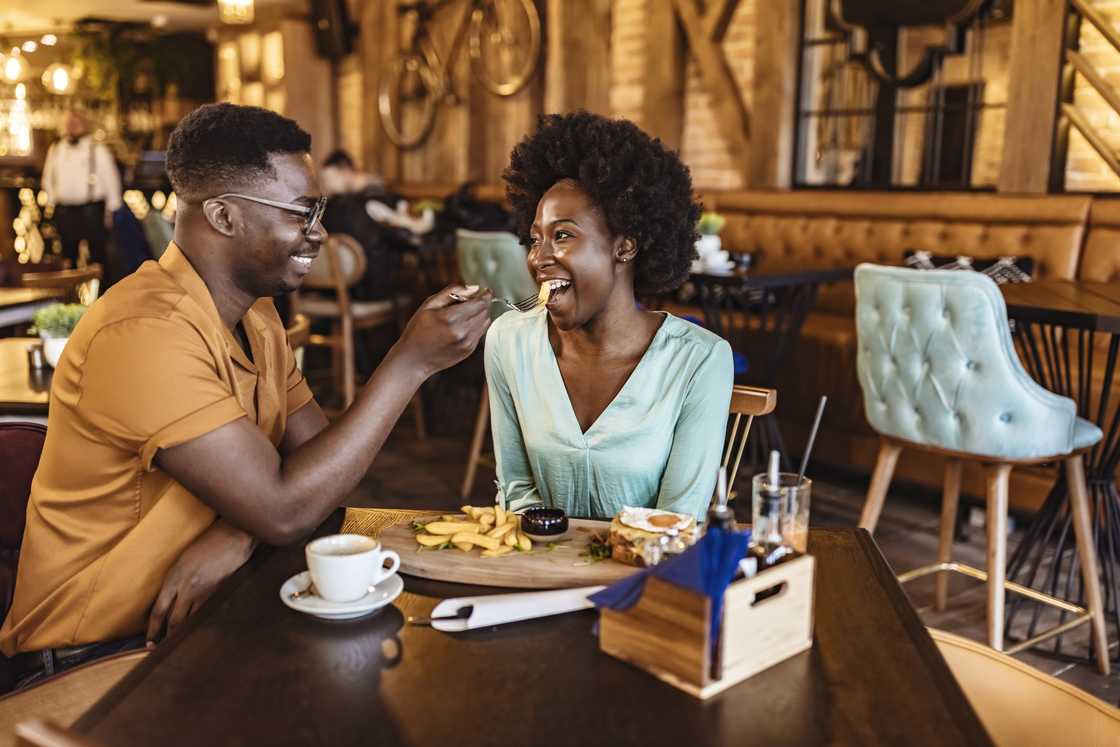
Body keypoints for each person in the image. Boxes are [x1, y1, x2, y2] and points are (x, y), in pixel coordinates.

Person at [0, 103, 491, 689]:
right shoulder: (142, 332)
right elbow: (288, 507)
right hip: (91, 658)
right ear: (224, 216)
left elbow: (322, 472)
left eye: (320, 210)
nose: (319, 232)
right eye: (302, 213)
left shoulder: (257, 318)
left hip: (203, 622)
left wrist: (238, 531)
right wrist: (408, 364)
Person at [487, 111, 733, 521]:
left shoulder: (701, 361)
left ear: (625, 246)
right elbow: (517, 495)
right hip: (537, 569)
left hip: (646, 577)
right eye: (534, 239)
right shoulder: (508, 342)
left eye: (562, 235)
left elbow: (677, 522)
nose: (538, 258)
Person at [41, 111, 122, 270]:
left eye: (76, 122)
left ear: (85, 124)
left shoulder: (97, 149)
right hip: (65, 210)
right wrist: (52, 200)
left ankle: (98, 292)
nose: (72, 126)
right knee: (67, 257)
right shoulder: (56, 148)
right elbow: (48, 177)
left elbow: (111, 179)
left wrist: (112, 209)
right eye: (69, 122)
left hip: (90, 209)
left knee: (97, 257)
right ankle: (70, 293)